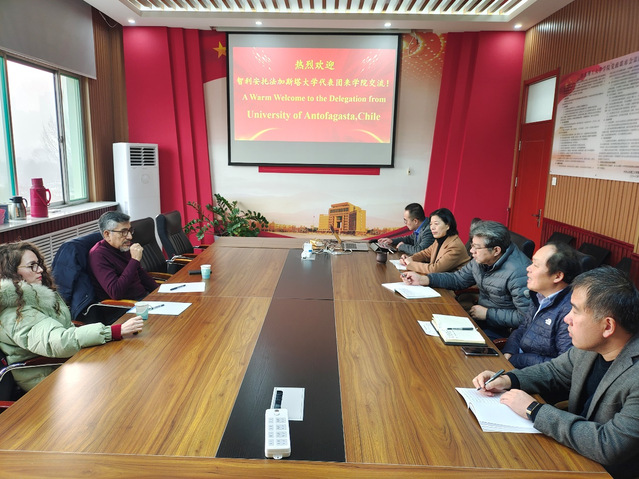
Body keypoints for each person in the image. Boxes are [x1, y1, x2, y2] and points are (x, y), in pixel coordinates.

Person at [473, 266, 639, 478]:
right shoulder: (590, 347)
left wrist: (534, 410)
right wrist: (507, 379)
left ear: (608, 326)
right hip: (574, 453)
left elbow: (609, 444)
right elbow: (553, 371)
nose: (567, 318)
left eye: (575, 311)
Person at [0, 242, 144, 392]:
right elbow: (59, 341)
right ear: (11, 273)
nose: (40, 269)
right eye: (32, 266)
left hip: (64, 363)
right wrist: (111, 332)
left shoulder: (33, 297)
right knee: (121, 378)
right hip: (47, 378)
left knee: (126, 368)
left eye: (39, 264)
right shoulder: (16, 313)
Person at [401, 220, 530, 339]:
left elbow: (525, 317)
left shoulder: (519, 272)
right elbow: (458, 279)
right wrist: (424, 279)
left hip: (502, 330)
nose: (471, 251)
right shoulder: (481, 259)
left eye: (476, 247)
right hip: (480, 318)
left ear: (496, 250)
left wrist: (488, 314)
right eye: (472, 245)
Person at [502, 242, 581, 368]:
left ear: (557, 276)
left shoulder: (570, 311)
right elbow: (522, 329)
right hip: (516, 365)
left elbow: (562, 365)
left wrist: (516, 360)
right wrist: (509, 352)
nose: (528, 268)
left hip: (535, 376)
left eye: (536, 265)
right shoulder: (540, 295)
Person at [89, 211, 158, 300]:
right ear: (107, 234)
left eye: (130, 231)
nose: (130, 237)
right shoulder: (98, 255)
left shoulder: (125, 246)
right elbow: (116, 293)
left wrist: (160, 292)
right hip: (127, 305)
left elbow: (142, 275)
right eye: (123, 232)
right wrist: (134, 260)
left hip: (144, 298)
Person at [399, 208, 470, 274]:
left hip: (453, 283)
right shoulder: (440, 240)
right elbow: (425, 254)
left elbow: (434, 269)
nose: (432, 228)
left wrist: (411, 264)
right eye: (430, 224)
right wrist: (410, 258)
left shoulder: (455, 246)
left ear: (448, 226)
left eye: (436, 224)